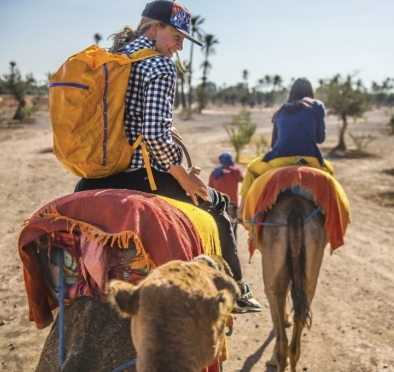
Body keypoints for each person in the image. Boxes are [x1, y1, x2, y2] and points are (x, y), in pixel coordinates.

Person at [73, 0, 261, 313]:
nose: (179, 47)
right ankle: (238, 289)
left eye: (183, 40)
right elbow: (155, 136)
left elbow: (123, 121)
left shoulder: (114, 60)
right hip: (138, 176)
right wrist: (184, 176)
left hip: (95, 176)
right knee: (217, 205)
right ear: (154, 28)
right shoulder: (158, 64)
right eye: (176, 36)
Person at [237, 78, 327, 216]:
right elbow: (321, 138)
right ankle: (332, 220)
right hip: (310, 159)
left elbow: (274, 143)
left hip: (280, 158)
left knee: (251, 169)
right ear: (311, 92)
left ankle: (241, 212)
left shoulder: (281, 110)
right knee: (330, 174)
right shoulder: (317, 106)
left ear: (291, 92)